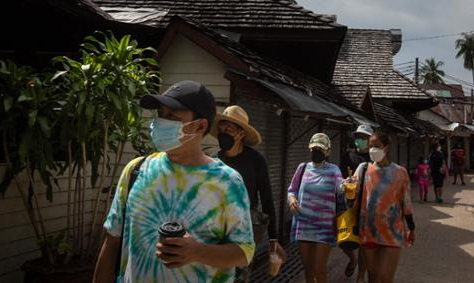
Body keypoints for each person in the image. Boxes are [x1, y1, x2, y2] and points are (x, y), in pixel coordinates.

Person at [93, 81, 255, 283]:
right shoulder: (136, 169)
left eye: (172, 116)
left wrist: (198, 252)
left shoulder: (227, 182)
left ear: (200, 125)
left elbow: (244, 253)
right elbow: (111, 241)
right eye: (161, 113)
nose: (161, 121)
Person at [212, 105, 286, 282]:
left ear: (241, 134)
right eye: (221, 129)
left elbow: (267, 199)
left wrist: (273, 239)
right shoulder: (214, 161)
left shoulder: (255, 161)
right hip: (215, 228)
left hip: (244, 230)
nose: (224, 133)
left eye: (229, 130)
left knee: (239, 276)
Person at [355, 130, 415, 283]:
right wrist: (344, 187)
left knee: (385, 278)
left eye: (376, 146)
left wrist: (411, 228)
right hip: (369, 231)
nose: (372, 150)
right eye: (370, 146)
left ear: (386, 147)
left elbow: (406, 203)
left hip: (392, 233)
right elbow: (351, 195)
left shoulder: (400, 173)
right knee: (373, 277)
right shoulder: (363, 169)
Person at [287, 133, 343, 283]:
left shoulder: (334, 170)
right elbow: (291, 189)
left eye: (321, 149)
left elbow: (341, 188)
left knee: (320, 269)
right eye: (314, 148)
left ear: (328, 152)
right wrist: (292, 199)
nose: (317, 151)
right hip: (304, 224)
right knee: (308, 269)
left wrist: (348, 185)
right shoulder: (303, 168)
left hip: (324, 227)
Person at [339, 124, 373, 281]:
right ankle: (352, 259)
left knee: (364, 244)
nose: (360, 140)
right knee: (342, 238)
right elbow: (339, 178)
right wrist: (345, 183)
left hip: (368, 205)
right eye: (358, 137)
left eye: (364, 138)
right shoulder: (348, 156)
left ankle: (360, 276)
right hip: (348, 203)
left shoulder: (374, 158)